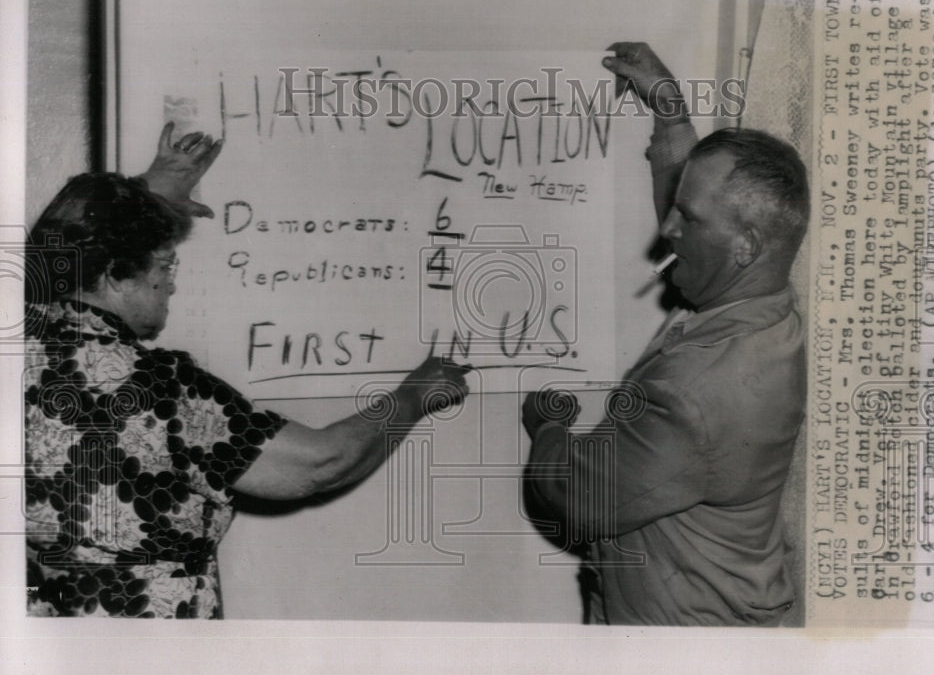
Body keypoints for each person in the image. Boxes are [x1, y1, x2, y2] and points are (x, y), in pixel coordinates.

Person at [24, 124, 471, 618]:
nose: (170, 287)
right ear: (114, 275)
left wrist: (151, 191)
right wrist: (414, 394)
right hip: (154, 649)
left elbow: (65, 242)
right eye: (164, 267)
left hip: (52, 643)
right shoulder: (162, 389)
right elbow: (320, 463)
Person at [521, 43, 809, 626]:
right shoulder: (759, 302)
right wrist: (670, 113)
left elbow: (578, 499)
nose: (668, 229)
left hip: (679, 641)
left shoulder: (696, 392)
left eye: (687, 218)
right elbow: (695, 228)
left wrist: (547, 426)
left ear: (745, 245)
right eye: (676, 209)